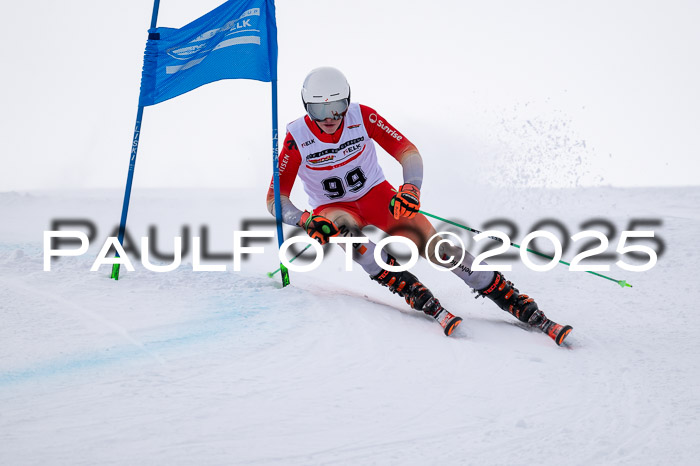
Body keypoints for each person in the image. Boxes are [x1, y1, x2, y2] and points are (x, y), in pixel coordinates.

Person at [266, 67, 572, 344]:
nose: (330, 117)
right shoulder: (296, 137)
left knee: (441, 250)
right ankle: (415, 292)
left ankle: (515, 301)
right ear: (307, 107)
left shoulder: (363, 116)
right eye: (320, 109)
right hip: (333, 209)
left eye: (337, 106)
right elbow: (274, 200)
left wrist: (411, 189)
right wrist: (306, 220)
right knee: (348, 234)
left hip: (377, 196)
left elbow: (407, 151)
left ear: (348, 101)